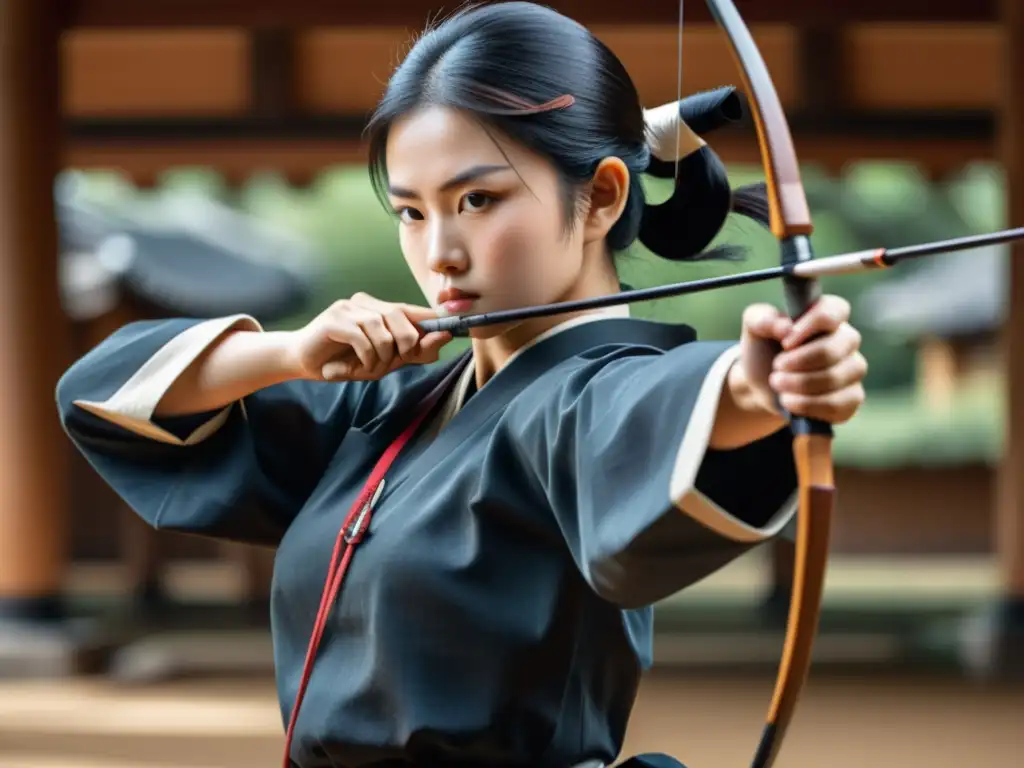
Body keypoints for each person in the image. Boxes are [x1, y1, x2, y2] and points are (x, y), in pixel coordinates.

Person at [56, 3, 868, 767]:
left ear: (603, 196)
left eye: (477, 199)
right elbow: (104, 393)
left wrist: (758, 384)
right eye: (412, 212)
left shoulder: (584, 395)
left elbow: (646, 409)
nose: (439, 250)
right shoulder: (389, 414)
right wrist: (294, 355)